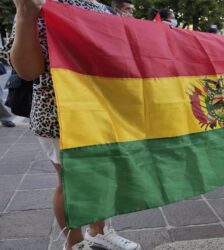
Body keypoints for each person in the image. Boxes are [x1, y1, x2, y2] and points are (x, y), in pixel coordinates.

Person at [1, 0, 141, 250]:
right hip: (60, 113)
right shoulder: (41, 4)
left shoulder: (102, 8)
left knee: (102, 176)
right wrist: (25, 13)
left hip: (102, 110)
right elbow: (28, 71)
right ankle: (74, 243)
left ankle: (99, 232)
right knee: (71, 181)